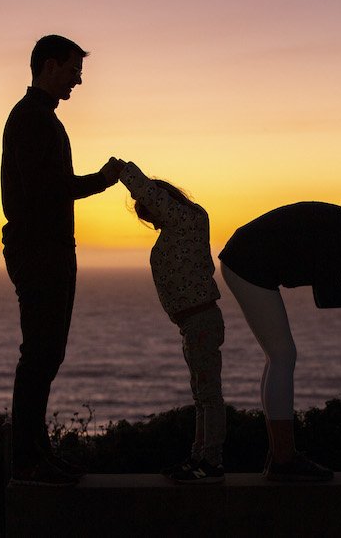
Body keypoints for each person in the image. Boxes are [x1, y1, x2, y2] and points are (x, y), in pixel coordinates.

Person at [1, 34, 122, 486]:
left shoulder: (41, 118)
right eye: (74, 70)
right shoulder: (32, 118)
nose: (78, 80)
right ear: (49, 66)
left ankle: (37, 455)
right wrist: (102, 179)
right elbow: (46, 189)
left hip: (47, 248)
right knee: (39, 355)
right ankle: (29, 460)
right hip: (39, 250)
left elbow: (49, 184)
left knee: (46, 354)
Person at [218, 198, 341, 481]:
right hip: (247, 265)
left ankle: (279, 455)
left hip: (244, 261)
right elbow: (327, 297)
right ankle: (283, 459)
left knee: (279, 356)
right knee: (283, 356)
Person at [112, 158, 227, 484]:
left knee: (208, 394)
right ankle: (199, 457)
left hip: (201, 320)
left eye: (144, 209)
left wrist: (124, 172)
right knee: (201, 395)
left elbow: (151, 193)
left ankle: (211, 462)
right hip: (192, 324)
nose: (145, 216)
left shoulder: (189, 219)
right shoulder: (178, 227)